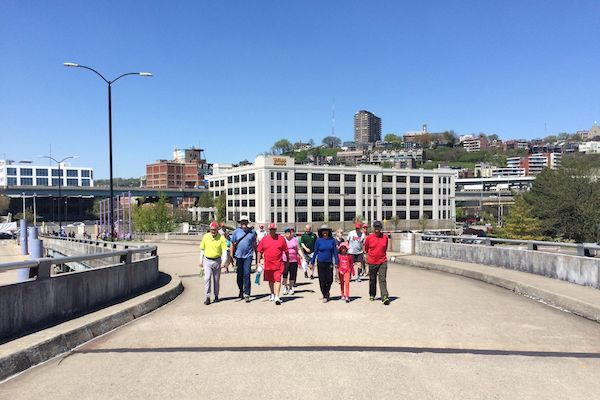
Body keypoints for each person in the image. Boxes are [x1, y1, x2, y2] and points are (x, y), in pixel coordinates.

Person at [256, 223, 289, 305]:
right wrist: (258, 261)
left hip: (278, 263)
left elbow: (286, 250)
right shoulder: (264, 239)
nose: (272, 231)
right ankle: (273, 294)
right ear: (268, 230)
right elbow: (259, 250)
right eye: (271, 230)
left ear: (276, 230)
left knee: (277, 279)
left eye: (273, 229)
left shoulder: (281, 238)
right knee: (270, 280)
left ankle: (277, 296)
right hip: (268, 264)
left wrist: (288, 259)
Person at [199, 221, 228, 305]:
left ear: (217, 229)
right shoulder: (206, 237)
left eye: (214, 230)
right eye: (211, 230)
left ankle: (216, 296)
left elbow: (224, 250)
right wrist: (200, 260)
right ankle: (207, 297)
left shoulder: (221, 238)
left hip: (217, 260)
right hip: (207, 260)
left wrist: (223, 261)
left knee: (216, 280)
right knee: (207, 278)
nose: (213, 231)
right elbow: (202, 249)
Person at [230, 215, 257, 303]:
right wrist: (231, 257)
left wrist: (257, 257)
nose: (244, 223)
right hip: (238, 256)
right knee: (239, 276)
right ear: (240, 223)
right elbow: (232, 244)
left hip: (248, 256)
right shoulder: (236, 232)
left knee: (246, 274)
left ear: (247, 222)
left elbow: (254, 245)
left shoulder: (252, 232)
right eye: (242, 222)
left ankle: (247, 293)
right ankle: (241, 290)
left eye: (245, 221)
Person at [364, 220, 390, 305]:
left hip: (382, 260)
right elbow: (366, 248)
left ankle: (385, 297)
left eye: (378, 227)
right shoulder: (369, 238)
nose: (377, 229)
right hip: (372, 261)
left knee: (382, 279)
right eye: (375, 227)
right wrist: (369, 257)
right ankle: (372, 294)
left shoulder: (385, 237)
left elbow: (385, 248)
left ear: (381, 228)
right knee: (372, 279)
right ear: (373, 228)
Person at [311, 224, 338, 303]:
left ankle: (327, 291)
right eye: (323, 231)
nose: (325, 232)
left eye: (326, 231)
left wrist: (337, 262)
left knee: (330, 279)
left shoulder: (332, 240)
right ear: (321, 232)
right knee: (322, 280)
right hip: (320, 262)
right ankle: (325, 295)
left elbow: (335, 252)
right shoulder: (318, 240)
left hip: (329, 262)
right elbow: (315, 252)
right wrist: (312, 262)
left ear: (329, 231)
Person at [282, 227, 302, 295]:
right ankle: (285, 287)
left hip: (294, 260)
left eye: (289, 232)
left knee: (292, 274)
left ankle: (290, 288)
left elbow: (298, 249)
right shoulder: (283, 240)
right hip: (285, 260)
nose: (287, 233)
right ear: (284, 233)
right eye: (286, 232)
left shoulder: (294, 240)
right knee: (285, 274)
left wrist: (302, 256)